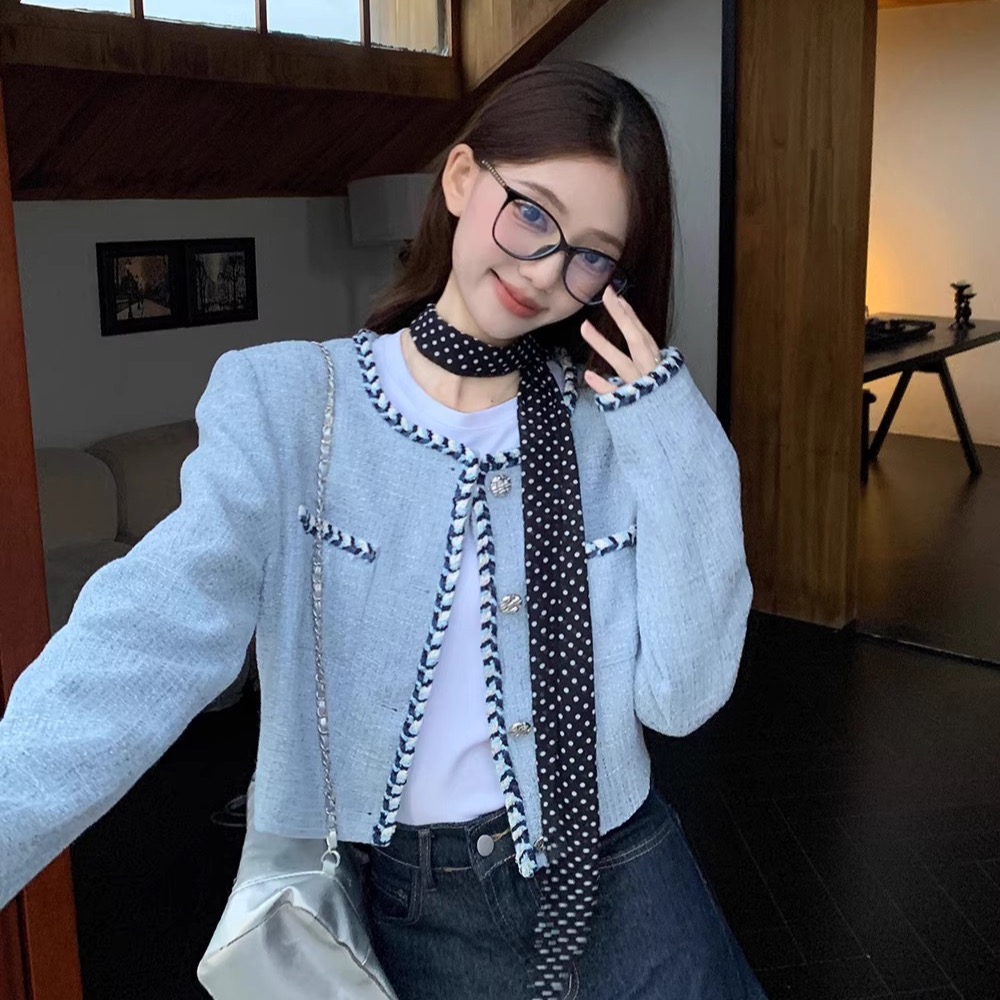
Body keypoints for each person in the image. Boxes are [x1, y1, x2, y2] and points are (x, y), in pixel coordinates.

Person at [0, 62, 763, 1000]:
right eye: (531, 212)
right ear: (462, 179)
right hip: (416, 905)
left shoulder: (618, 432)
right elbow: (144, 640)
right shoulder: (292, 404)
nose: (544, 272)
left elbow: (683, 698)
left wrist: (675, 426)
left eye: (591, 256)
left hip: (627, 870)